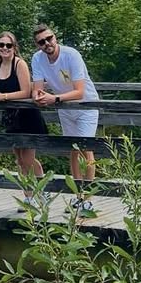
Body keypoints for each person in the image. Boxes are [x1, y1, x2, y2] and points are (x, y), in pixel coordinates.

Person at [31, 24, 100, 216]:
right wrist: (39, 96)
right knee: (73, 150)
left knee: (86, 149)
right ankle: (77, 195)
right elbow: (37, 86)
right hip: (64, 107)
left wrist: (54, 98)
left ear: (55, 37)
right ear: (37, 45)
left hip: (86, 105)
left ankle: (88, 199)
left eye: (49, 38)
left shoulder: (71, 55)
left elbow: (79, 91)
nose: (47, 44)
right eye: (41, 42)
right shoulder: (37, 59)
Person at [0, 32, 46, 205]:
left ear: (14, 47)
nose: (4, 48)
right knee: (19, 160)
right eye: (1, 45)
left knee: (28, 159)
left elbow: (26, 91)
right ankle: (31, 194)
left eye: (8, 45)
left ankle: (34, 194)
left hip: (27, 115)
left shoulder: (19, 64)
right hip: (10, 116)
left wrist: (4, 96)